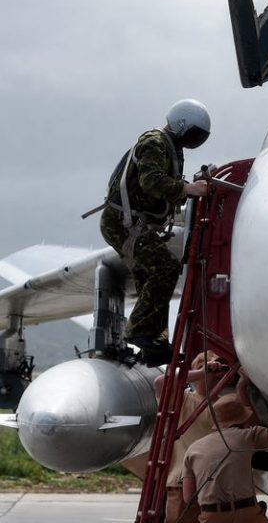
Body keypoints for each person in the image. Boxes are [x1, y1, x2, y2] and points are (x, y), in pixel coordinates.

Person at [99, 99, 210, 365]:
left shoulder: (170, 148)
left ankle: (154, 346)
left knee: (150, 274)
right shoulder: (154, 142)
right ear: (182, 125)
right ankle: (138, 331)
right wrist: (188, 189)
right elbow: (151, 182)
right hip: (122, 224)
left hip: (134, 225)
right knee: (165, 268)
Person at [182, 393, 268, 523]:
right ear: (243, 419)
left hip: (213, 516)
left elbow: (189, 497)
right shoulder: (249, 435)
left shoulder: (193, 449)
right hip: (246, 513)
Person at [157, 350, 227, 523]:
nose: (215, 372)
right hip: (182, 483)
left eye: (217, 368)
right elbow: (160, 382)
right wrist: (202, 372)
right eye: (207, 368)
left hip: (219, 483)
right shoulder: (183, 400)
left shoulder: (228, 403)